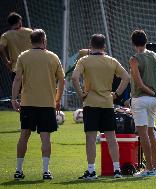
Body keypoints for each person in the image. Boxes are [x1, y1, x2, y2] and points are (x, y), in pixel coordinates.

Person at [72, 34, 130, 179]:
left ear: (90, 46)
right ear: (104, 46)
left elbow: (74, 77)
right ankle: (117, 170)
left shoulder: (84, 60)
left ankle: (91, 171)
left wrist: (81, 94)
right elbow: (126, 77)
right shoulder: (111, 61)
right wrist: (116, 94)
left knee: (91, 138)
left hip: (90, 103)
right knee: (111, 137)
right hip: (107, 103)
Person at [11, 29, 65, 180]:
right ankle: (46, 171)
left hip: (28, 103)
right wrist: (58, 99)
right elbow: (62, 80)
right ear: (44, 40)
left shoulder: (23, 56)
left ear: (31, 41)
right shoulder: (53, 57)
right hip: (47, 104)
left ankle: (18, 170)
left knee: (24, 136)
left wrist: (14, 99)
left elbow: (17, 80)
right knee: (45, 138)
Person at [129, 30, 156, 177]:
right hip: (153, 100)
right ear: (146, 41)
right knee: (151, 133)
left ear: (133, 43)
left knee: (144, 134)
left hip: (140, 99)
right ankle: (154, 167)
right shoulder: (155, 55)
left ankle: (149, 169)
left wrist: (154, 93)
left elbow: (139, 83)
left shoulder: (134, 59)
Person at [0, 12, 32, 83]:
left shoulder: (6, 35)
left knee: (18, 92)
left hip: (17, 68)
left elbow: (1, 48)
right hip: (31, 67)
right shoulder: (30, 32)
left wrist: (7, 62)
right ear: (19, 21)